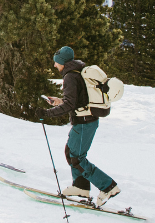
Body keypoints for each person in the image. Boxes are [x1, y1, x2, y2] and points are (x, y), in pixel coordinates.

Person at [40, 45, 121, 207]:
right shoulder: (77, 72)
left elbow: (70, 105)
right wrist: (59, 101)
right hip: (85, 121)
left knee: (77, 157)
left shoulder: (70, 76)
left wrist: (47, 113)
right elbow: (78, 100)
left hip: (85, 122)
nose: (55, 65)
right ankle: (80, 187)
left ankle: (108, 187)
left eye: (56, 62)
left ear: (62, 62)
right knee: (71, 152)